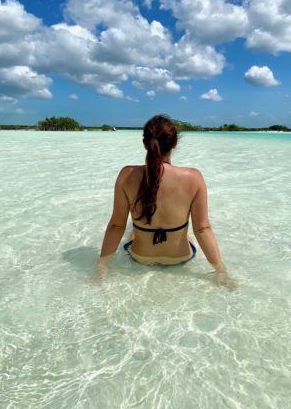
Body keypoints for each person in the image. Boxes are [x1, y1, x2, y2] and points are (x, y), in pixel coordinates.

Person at [96, 114, 233, 287]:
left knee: (132, 231)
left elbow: (116, 226)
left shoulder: (126, 175)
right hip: (180, 258)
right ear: (174, 143)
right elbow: (202, 229)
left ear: (145, 143)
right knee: (188, 235)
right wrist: (220, 271)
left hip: (140, 258)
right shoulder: (193, 177)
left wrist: (101, 267)